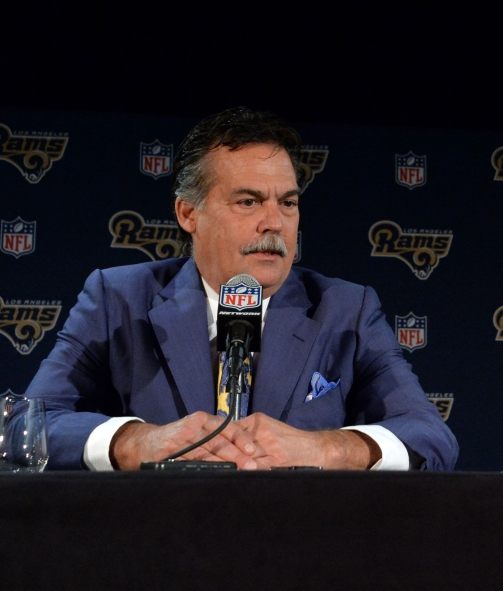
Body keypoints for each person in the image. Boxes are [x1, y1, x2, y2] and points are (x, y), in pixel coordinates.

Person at [9, 107, 458, 471]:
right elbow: (22, 428)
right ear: (189, 214)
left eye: (288, 202)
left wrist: (323, 449)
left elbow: (429, 435)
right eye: (248, 201)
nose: (274, 222)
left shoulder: (345, 309)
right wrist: (135, 441)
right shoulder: (118, 298)